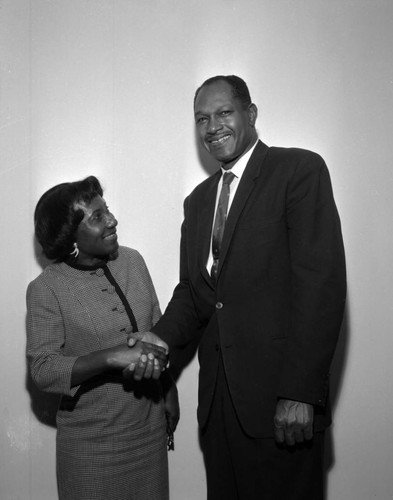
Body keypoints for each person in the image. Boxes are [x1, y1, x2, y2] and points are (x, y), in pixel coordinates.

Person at [128, 75, 346, 500]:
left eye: (224, 112)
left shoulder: (299, 171)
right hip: (220, 411)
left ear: (250, 114)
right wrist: (159, 338)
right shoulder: (197, 201)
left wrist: (300, 393)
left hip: (284, 406)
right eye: (201, 119)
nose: (212, 127)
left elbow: (320, 288)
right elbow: (194, 293)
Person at [26, 175, 179, 500]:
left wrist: (168, 387)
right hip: (91, 449)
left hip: (148, 435)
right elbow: (43, 369)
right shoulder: (47, 288)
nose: (112, 220)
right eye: (97, 217)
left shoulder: (133, 262)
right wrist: (112, 356)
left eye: (106, 210)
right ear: (70, 236)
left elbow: (159, 330)